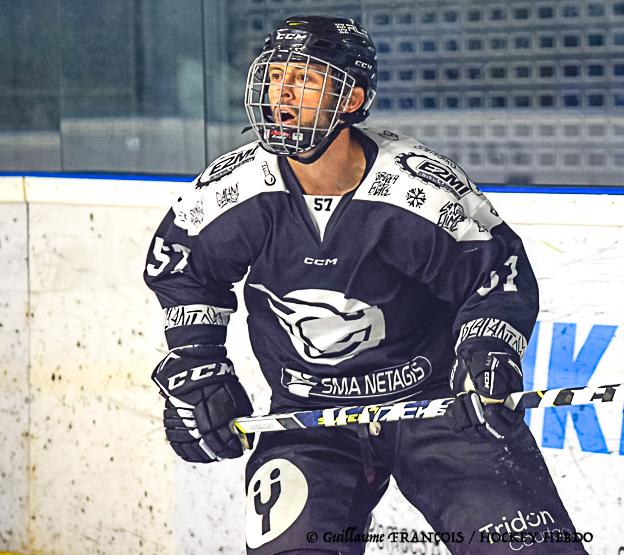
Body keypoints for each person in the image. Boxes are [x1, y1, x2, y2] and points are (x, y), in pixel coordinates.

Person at [144, 15, 587, 555]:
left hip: (439, 408)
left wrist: (488, 352)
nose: (282, 93)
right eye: (275, 76)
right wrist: (198, 366)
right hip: (306, 418)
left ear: (352, 98)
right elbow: (185, 272)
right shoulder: (231, 191)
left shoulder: (417, 188)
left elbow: (495, 276)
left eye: (304, 79)